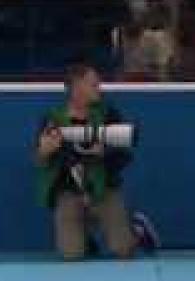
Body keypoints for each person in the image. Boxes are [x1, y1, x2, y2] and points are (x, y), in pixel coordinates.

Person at [36, 63, 156, 261]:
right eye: (93, 84)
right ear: (76, 87)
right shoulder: (53, 119)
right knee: (71, 255)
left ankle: (136, 230)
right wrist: (44, 151)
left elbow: (125, 155)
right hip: (69, 192)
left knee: (123, 250)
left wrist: (104, 152)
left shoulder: (108, 114)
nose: (99, 88)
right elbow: (40, 162)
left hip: (103, 190)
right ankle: (84, 240)